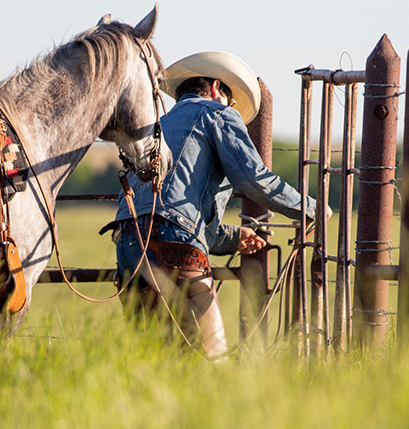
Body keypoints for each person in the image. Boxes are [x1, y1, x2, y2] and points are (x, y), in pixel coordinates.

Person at [106, 51, 328, 359]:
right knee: (212, 360)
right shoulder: (217, 114)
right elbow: (252, 179)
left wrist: (236, 237)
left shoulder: (157, 127)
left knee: (156, 360)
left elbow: (173, 210)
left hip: (129, 245)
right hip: (175, 246)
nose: (231, 107)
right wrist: (311, 209)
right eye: (230, 99)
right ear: (215, 88)